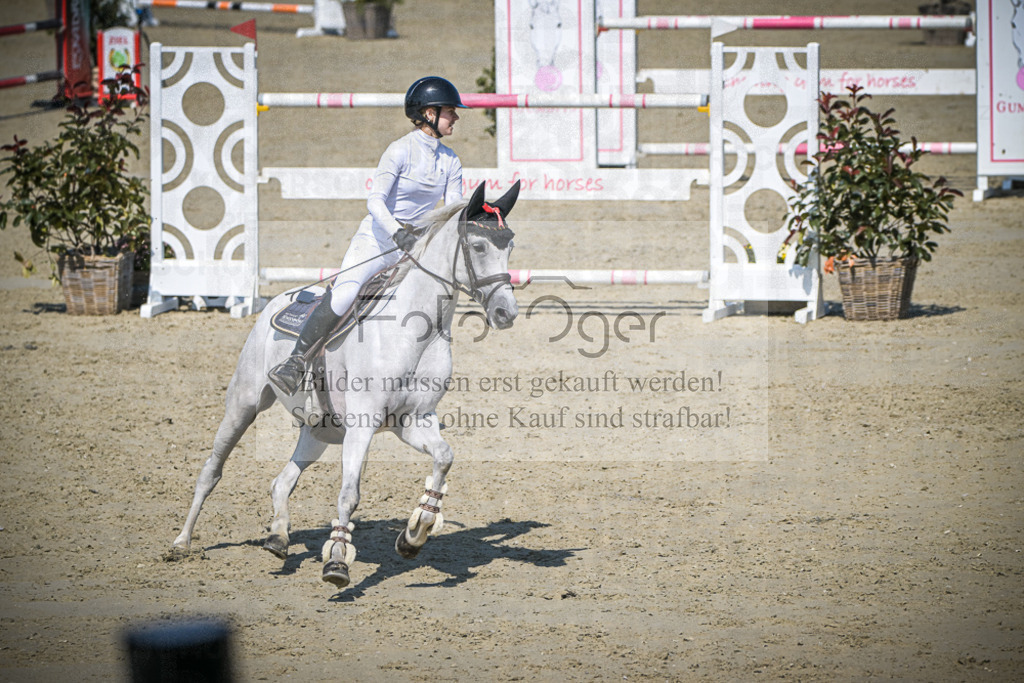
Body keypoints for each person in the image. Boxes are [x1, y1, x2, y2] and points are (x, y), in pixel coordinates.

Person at [268, 76, 467, 395]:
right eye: (449, 111)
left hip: (413, 250)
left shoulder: (451, 161)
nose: (455, 116)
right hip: (376, 241)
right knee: (346, 294)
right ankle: (295, 363)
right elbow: (374, 200)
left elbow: (454, 208)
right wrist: (397, 232)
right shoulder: (399, 150)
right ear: (429, 113)